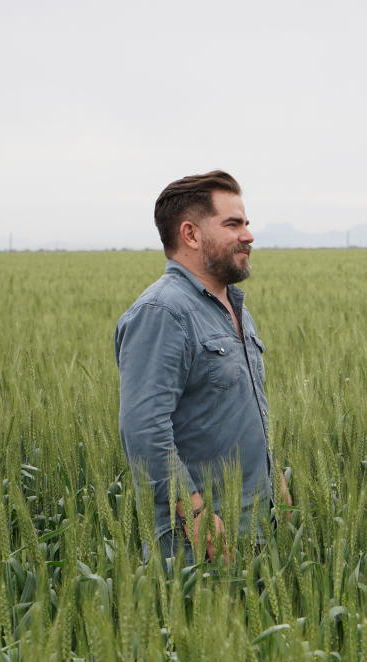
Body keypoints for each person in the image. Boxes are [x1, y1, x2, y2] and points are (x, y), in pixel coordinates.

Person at [115, 170, 289, 565]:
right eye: (233, 224)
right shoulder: (162, 313)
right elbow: (144, 429)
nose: (249, 235)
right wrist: (195, 514)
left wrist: (272, 474)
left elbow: (235, 407)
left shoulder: (232, 306)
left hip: (253, 523)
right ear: (191, 234)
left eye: (246, 222)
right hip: (199, 544)